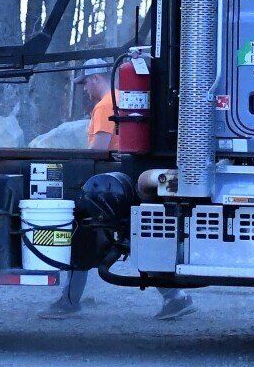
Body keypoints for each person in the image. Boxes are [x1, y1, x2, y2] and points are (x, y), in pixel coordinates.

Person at [39, 70, 193, 321]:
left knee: (85, 232)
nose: (85, 89)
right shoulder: (122, 98)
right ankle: (174, 297)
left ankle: (69, 302)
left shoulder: (104, 105)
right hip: (128, 177)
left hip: (109, 181)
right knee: (130, 238)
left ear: (96, 78)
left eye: (85, 82)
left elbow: (97, 149)